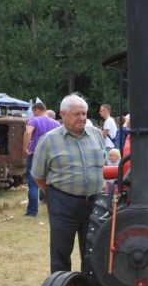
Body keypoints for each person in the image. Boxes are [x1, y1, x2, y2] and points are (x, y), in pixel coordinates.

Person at [31, 94, 105, 273]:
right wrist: (56, 194)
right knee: (61, 252)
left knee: (94, 252)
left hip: (95, 202)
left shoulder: (95, 133)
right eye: (77, 114)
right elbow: (38, 175)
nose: (82, 118)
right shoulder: (49, 140)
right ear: (63, 114)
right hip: (63, 203)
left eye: (84, 113)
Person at [23, 102, 60, 217]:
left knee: (33, 183)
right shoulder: (56, 123)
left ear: (38, 110)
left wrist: (25, 148)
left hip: (36, 154)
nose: (34, 114)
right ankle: (54, 209)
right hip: (52, 155)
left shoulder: (34, 120)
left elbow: (28, 132)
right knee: (51, 183)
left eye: (34, 112)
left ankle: (32, 211)